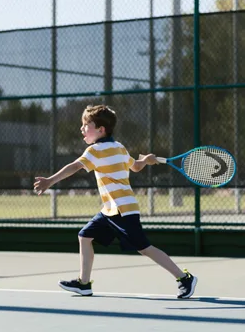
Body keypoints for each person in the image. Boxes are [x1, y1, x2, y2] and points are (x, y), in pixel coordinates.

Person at [34, 104, 197, 299]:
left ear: (101, 129)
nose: (82, 128)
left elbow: (74, 167)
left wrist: (50, 181)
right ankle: (84, 283)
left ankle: (184, 278)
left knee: (144, 248)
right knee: (84, 236)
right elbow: (135, 167)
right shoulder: (119, 147)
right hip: (110, 209)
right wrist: (145, 160)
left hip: (123, 209)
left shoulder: (95, 151)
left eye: (86, 124)